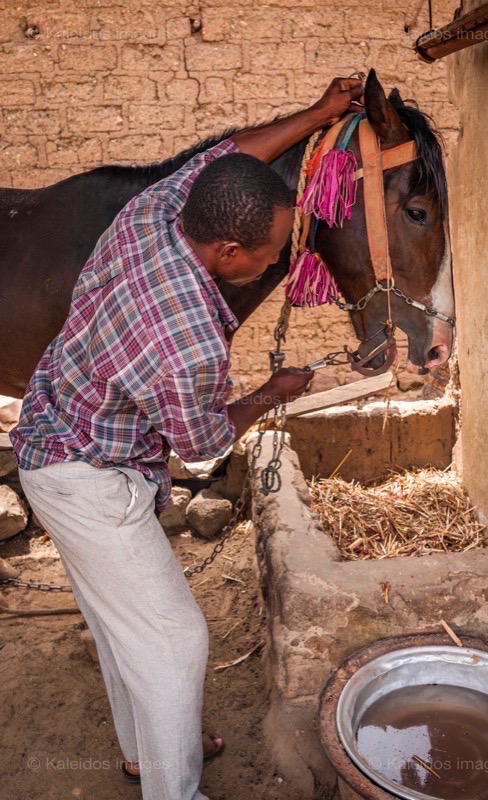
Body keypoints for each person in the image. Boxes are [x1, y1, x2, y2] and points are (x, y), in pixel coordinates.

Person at [10, 77, 364, 800]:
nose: (276, 262)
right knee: (175, 641)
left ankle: (148, 752)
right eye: (269, 253)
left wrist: (321, 115)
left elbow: (231, 152)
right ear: (229, 247)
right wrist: (272, 394)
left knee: (119, 621)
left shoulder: (157, 211)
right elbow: (201, 445)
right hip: (86, 475)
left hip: (50, 431)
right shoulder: (193, 342)